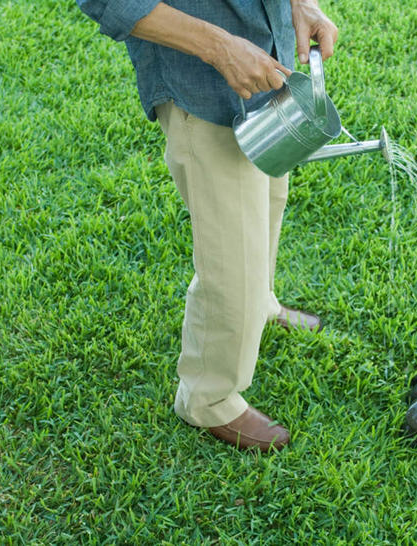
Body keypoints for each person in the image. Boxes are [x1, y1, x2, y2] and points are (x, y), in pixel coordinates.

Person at [76, 0, 338, 452]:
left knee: (266, 200)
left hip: (263, 63)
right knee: (231, 248)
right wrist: (220, 49)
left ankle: (258, 304)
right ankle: (208, 396)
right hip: (203, 83)